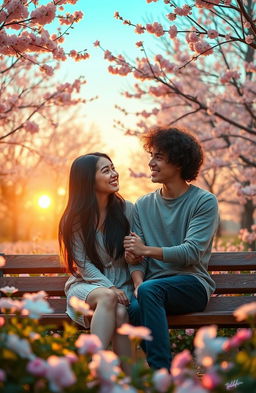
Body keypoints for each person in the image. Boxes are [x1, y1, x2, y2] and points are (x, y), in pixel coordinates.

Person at [124, 127, 219, 370]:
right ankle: (167, 375)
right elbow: (137, 258)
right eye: (152, 155)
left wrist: (145, 250)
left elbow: (190, 253)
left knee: (149, 293)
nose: (151, 163)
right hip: (151, 289)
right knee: (134, 307)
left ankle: (162, 376)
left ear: (178, 162)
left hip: (192, 284)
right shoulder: (143, 205)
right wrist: (137, 283)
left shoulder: (203, 202)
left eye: (159, 156)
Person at [58, 153, 134, 370]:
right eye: (106, 170)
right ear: (88, 180)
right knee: (108, 296)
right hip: (86, 288)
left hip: (121, 288)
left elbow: (137, 249)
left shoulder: (127, 210)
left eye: (113, 167)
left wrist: (136, 254)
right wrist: (108, 286)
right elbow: (82, 264)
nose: (114, 174)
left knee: (120, 313)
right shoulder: (74, 219)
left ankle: (127, 380)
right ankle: (96, 370)